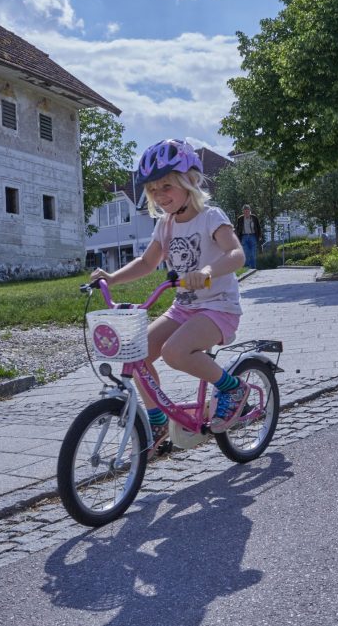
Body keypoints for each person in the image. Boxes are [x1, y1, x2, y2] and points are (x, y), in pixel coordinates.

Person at [90, 139, 247, 449]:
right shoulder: (165, 225)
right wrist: (111, 278)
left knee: (176, 352)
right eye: (153, 190)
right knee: (138, 354)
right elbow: (148, 262)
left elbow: (237, 255)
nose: (160, 196)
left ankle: (232, 389)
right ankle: (158, 422)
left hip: (219, 309)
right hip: (184, 308)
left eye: (167, 186)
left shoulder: (211, 217)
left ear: (189, 181)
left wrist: (206, 273)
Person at [235, 205, 264, 269]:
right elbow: (237, 228)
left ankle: (253, 267)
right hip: (244, 237)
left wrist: (259, 236)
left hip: (253, 236)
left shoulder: (254, 217)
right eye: (245, 211)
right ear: (243, 212)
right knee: (246, 253)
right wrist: (237, 237)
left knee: (253, 253)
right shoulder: (240, 218)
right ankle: (246, 267)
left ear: (250, 211)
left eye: (247, 211)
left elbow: (258, 227)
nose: (246, 212)